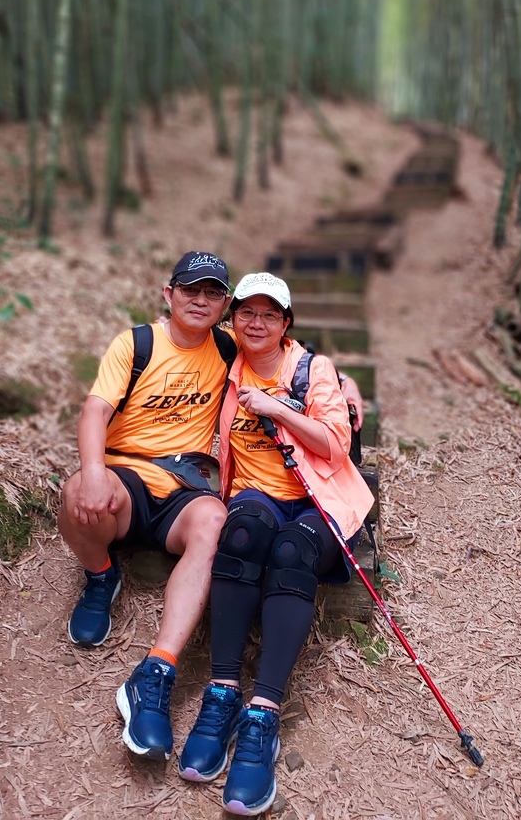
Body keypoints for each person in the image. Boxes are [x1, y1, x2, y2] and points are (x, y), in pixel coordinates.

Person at [58, 253, 364, 765]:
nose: (200, 301)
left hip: (189, 487)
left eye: (212, 294)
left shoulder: (228, 348)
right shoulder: (139, 345)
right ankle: (100, 576)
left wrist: (348, 390)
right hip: (129, 474)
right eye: (190, 291)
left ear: (223, 305)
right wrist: (91, 470)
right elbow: (95, 409)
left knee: (219, 524)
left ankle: (158, 669)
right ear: (169, 294)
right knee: (75, 495)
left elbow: (300, 362)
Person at [178, 272, 374, 816]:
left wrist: (280, 408)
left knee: (292, 550)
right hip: (255, 492)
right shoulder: (227, 363)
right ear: (233, 319)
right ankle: (221, 695)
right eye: (246, 313)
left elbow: (336, 446)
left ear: (286, 323)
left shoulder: (312, 369)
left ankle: (262, 712)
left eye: (269, 314)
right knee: (242, 533)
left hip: (319, 500)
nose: (256, 323)